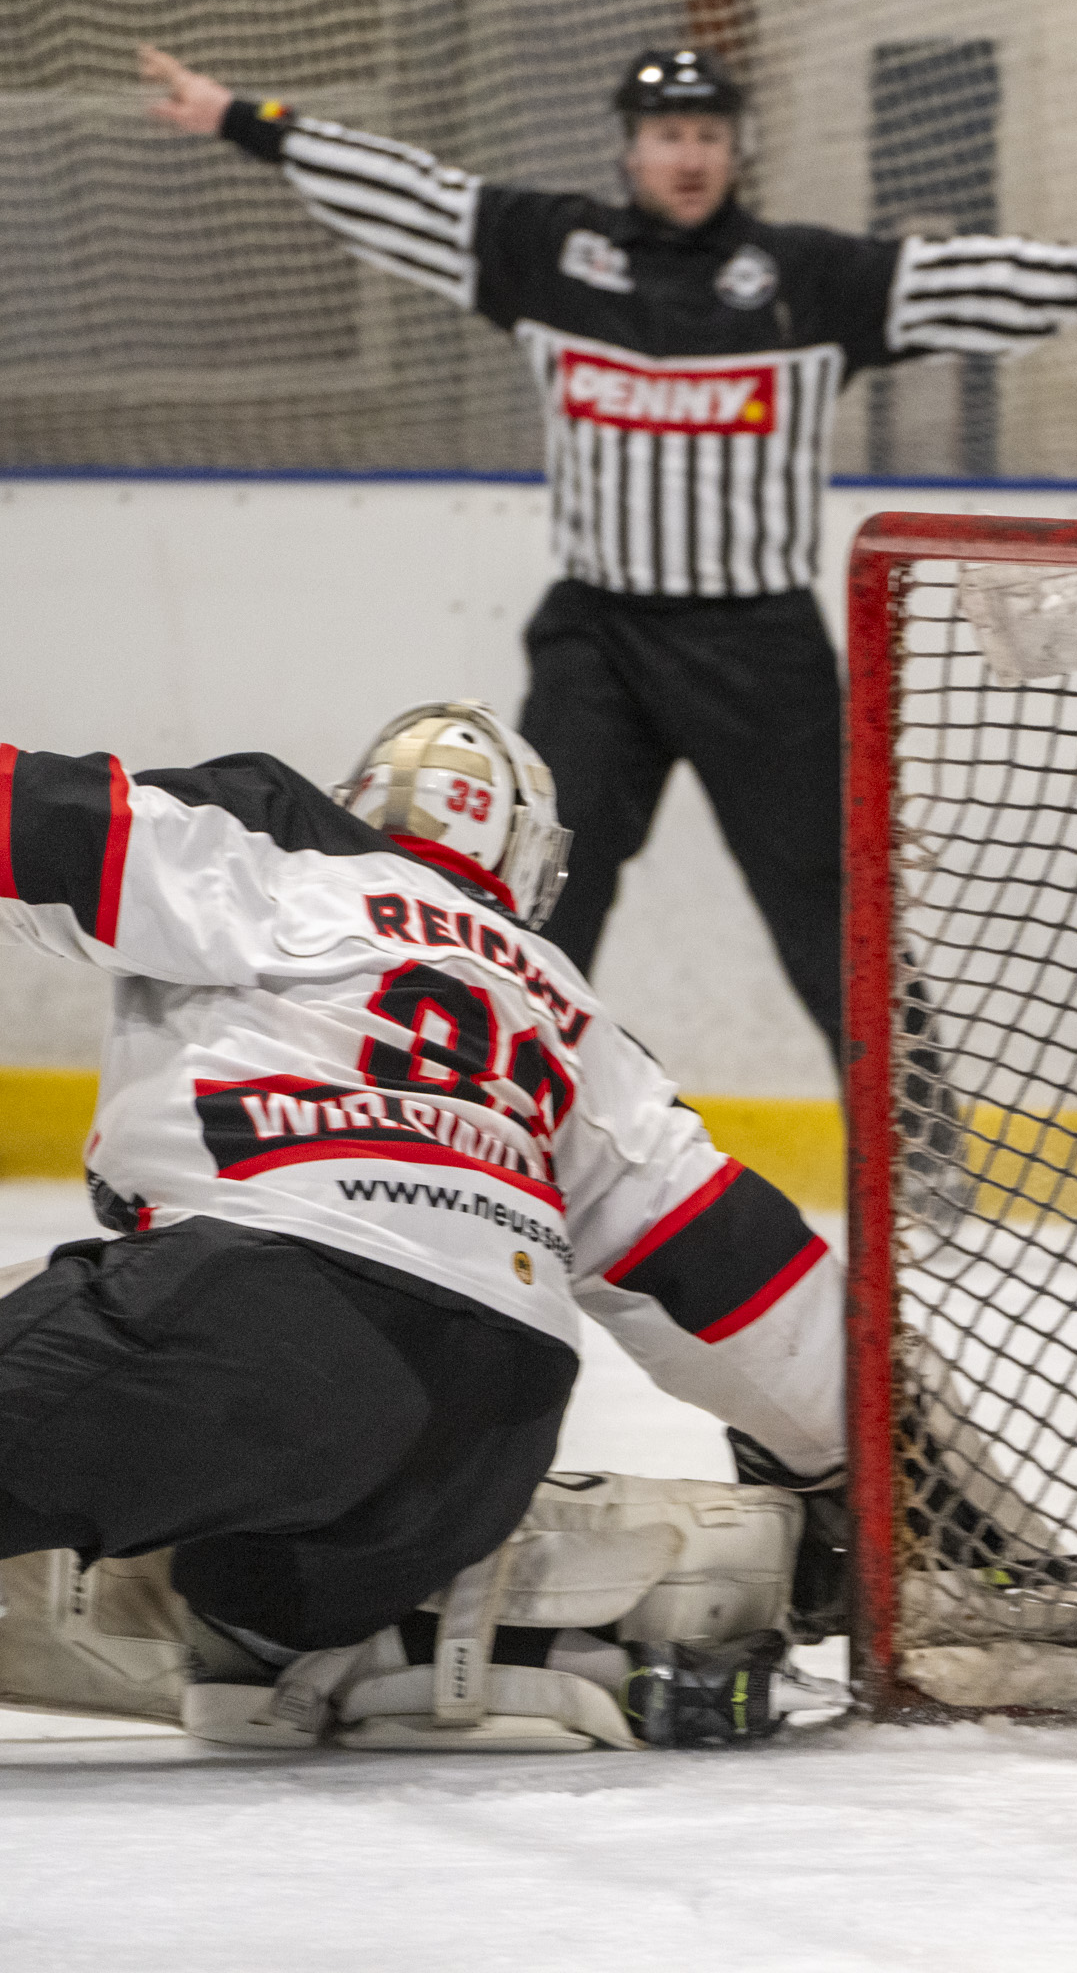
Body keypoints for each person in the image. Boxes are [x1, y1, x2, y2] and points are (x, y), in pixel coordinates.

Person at [138, 42, 1077, 1063]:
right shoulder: (547, 254)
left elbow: (958, 283)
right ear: (629, 146)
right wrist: (246, 119)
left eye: (710, 135)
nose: (689, 157)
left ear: (736, 149)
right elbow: (410, 197)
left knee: (830, 901)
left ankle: (918, 1155)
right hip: (599, 640)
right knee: (536, 890)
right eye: (668, 135)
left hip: (759, 646)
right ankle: (498, 1108)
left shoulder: (804, 278)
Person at [0, 703, 852, 1748]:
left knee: (152, 1353)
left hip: (257, 1315)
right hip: (486, 1429)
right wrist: (876, 1487)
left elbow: (29, 816)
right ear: (530, 861)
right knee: (246, 1601)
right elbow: (750, 1278)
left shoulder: (277, 850)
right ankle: (379, 1636)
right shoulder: (569, 1012)